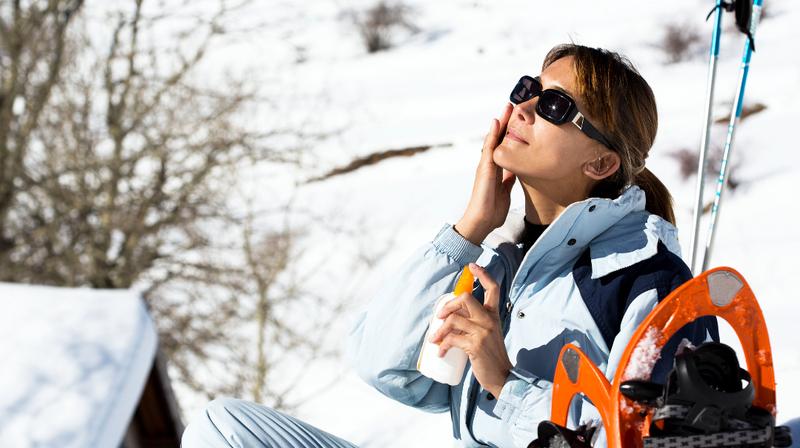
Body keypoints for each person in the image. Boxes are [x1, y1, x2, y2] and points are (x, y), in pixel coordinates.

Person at [180, 43, 719, 448]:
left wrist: (504, 381)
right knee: (222, 429)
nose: (525, 107)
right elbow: (384, 367)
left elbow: (654, 439)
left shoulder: (648, 282)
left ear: (600, 163)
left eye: (555, 106)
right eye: (528, 89)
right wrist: (468, 230)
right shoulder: (502, 266)